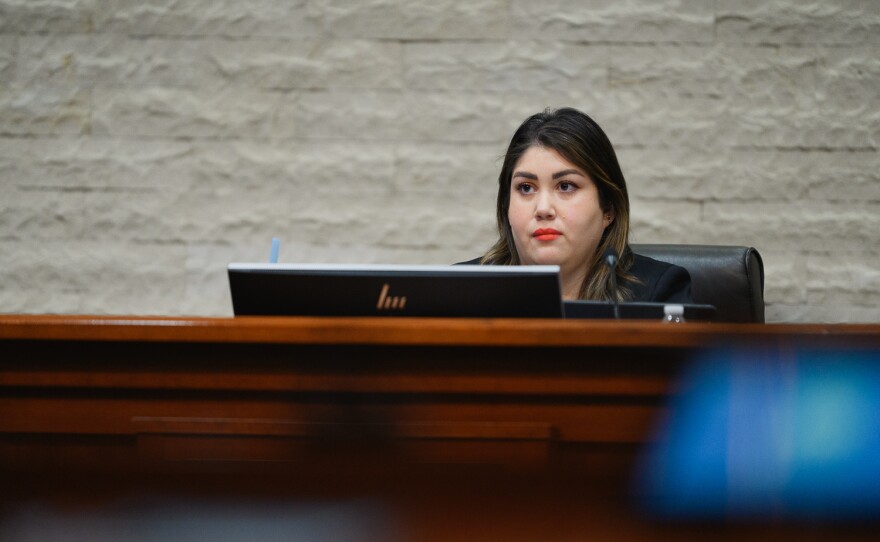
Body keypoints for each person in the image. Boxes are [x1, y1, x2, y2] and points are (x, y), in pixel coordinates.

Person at [461, 107, 691, 303]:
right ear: (506, 207)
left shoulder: (657, 294)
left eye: (566, 186)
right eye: (526, 188)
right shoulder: (461, 291)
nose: (543, 209)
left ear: (608, 208)